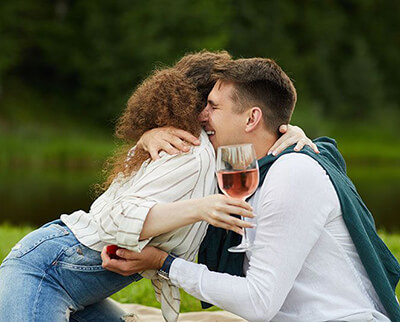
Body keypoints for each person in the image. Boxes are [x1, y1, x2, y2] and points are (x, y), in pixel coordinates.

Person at [0, 51, 313, 322]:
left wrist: (287, 132)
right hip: (45, 272)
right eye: (212, 104)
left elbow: (257, 135)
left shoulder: (209, 152)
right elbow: (114, 218)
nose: (209, 113)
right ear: (198, 107)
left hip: (75, 285)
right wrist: (200, 209)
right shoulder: (191, 151)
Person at [102, 57, 400, 321]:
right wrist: (146, 140)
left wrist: (165, 264)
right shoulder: (250, 169)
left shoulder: (293, 172)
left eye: (213, 106)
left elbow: (258, 302)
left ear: (252, 117)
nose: (201, 115)